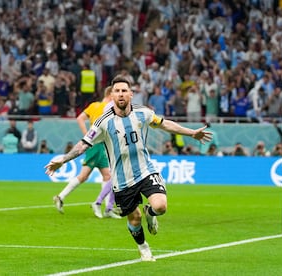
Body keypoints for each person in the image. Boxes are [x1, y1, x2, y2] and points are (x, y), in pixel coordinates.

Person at [44, 75, 212, 261]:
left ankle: (151, 213)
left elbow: (165, 124)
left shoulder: (144, 113)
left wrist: (191, 133)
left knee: (161, 206)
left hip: (145, 170)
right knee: (134, 219)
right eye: (117, 91)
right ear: (112, 95)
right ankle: (143, 247)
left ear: (131, 94)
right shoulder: (102, 123)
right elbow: (83, 144)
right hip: (122, 179)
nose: (121, 94)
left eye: (124, 90)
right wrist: (63, 160)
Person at [52, 86, 121, 219]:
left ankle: (108, 209)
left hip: (99, 144)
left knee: (107, 176)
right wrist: (90, 138)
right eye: (116, 93)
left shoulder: (94, 105)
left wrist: (87, 135)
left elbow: (79, 118)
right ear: (110, 95)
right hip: (97, 145)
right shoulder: (108, 108)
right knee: (85, 176)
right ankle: (61, 197)